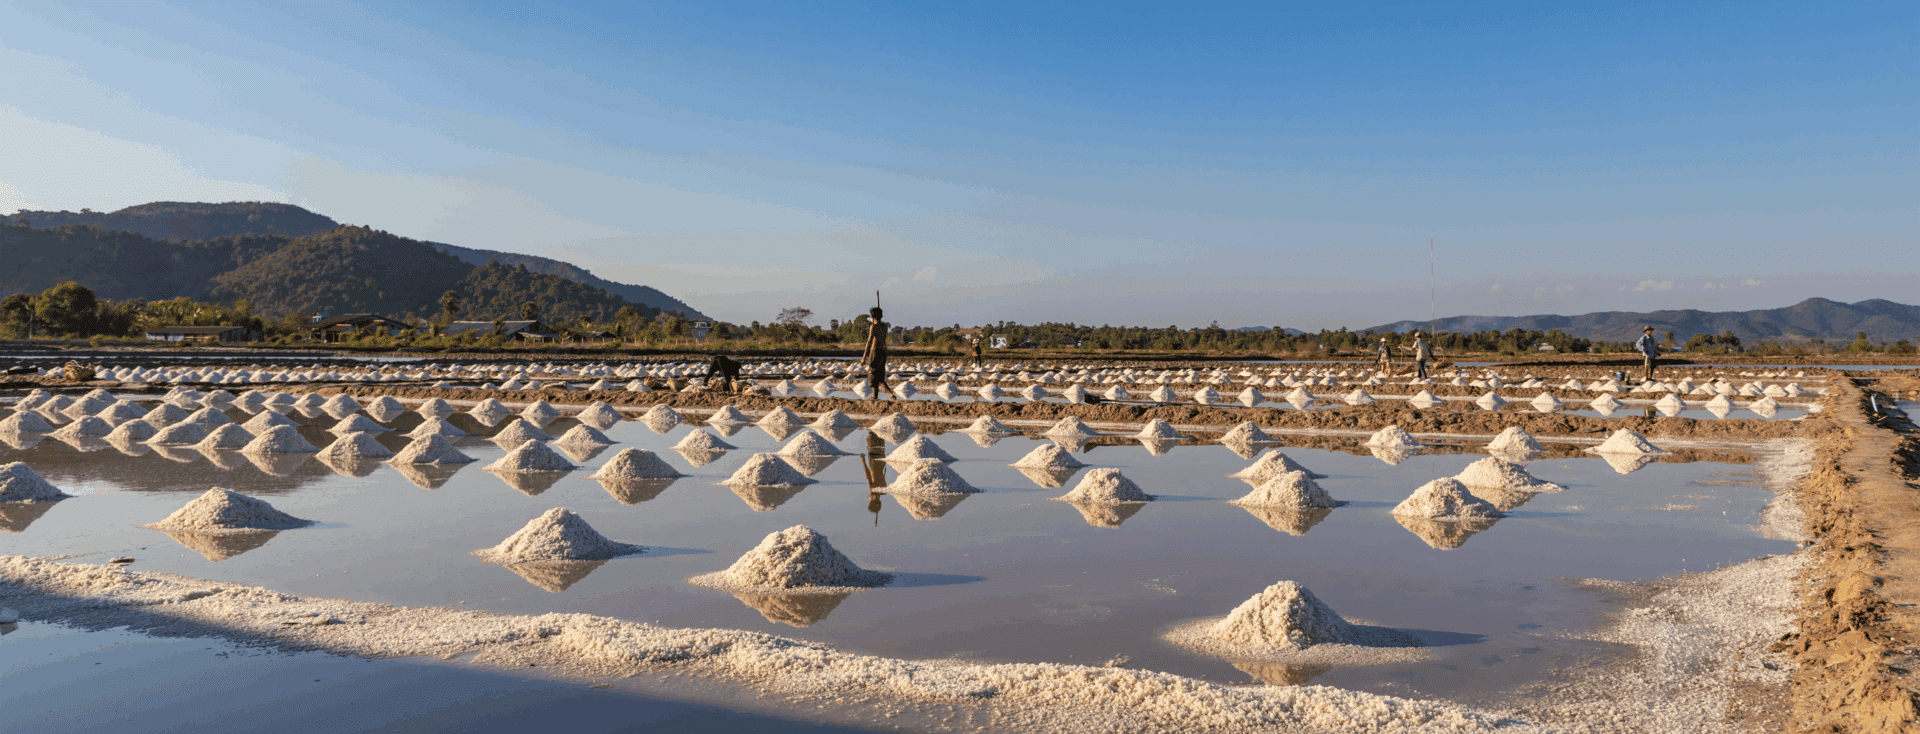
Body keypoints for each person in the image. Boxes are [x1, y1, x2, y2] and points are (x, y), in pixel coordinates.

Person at [860, 307, 890, 398]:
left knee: (872, 375)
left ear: (873, 316)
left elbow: (869, 342)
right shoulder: (884, 327)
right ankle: (876, 397)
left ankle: (889, 394)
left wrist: (864, 357)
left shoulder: (873, 327)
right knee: (880, 376)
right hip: (883, 352)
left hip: (875, 352)